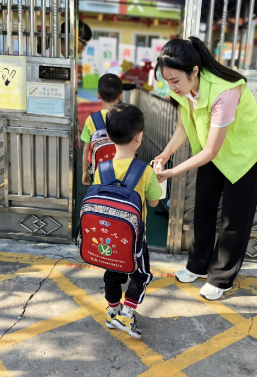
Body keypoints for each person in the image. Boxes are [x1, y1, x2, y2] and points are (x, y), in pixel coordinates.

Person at [154, 37, 257, 301]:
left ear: (194, 71)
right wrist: (166, 153)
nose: (171, 87)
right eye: (167, 81)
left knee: (233, 218)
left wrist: (171, 172)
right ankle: (198, 264)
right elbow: (184, 126)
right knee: (204, 208)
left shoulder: (224, 91)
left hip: (243, 153)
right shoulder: (183, 89)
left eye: (175, 81)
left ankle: (222, 277)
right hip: (213, 152)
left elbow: (211, 152)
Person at [93, 104, 162, 339]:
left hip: (108, 238)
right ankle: (127, 313)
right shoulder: (145, 171)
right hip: (134, 241)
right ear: (139, 137)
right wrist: (157, 178)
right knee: (141, 275)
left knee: (112, 274)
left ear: (109, 136)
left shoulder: (101, 169)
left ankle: (112, 312)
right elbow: (153, 203)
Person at [80, 73, 122, 185]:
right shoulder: (126, 117)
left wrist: (85, 171)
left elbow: (86, 149)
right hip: (123, 175)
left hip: (98, 175)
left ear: (98, 95)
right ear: (120, 96)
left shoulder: (91, 120)